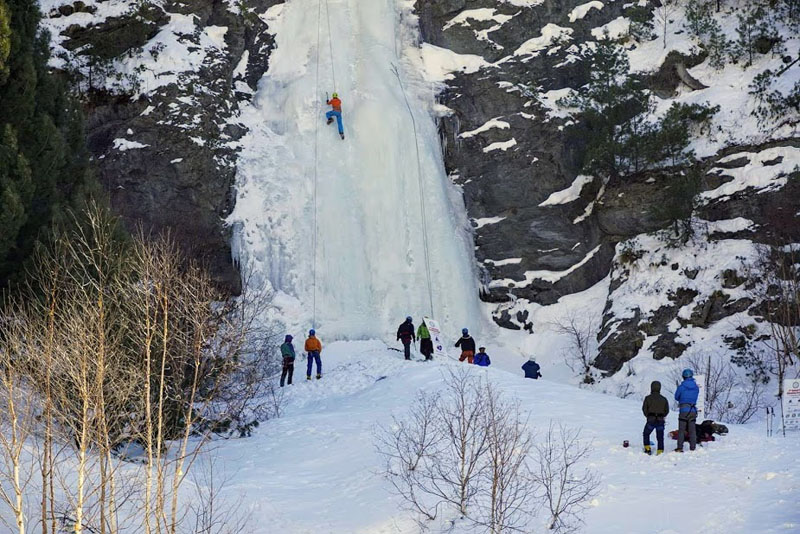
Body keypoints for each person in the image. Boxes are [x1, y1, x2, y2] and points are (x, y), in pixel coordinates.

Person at [674, 368, 699, 452]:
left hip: (684, 410)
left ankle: (680, 447)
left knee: (681, 430)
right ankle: (693, 447)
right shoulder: (696, 387)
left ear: (683, 377)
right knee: (692, 430)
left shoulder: (681, 387)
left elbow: (676, 397)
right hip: (692, 410)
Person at [641, 380, 669, 455]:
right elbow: (666, 410)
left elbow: (644, 409)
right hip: (660, 420)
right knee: (660, 437)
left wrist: (648, 416)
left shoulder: (648, 398)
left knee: (646, 434)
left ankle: (647, 449)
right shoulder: (664, 399)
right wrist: (662, 416)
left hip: (651, 419)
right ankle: (660, 451)